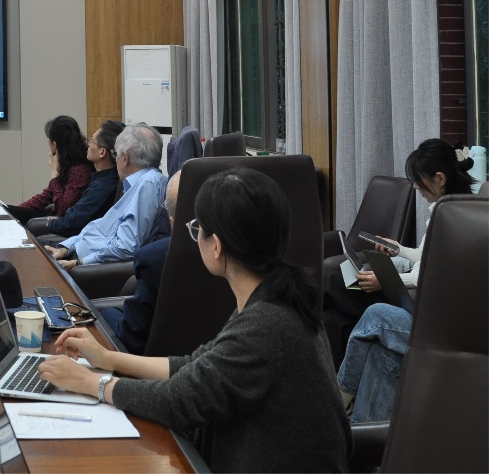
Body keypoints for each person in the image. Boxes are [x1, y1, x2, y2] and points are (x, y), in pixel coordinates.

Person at [37, 168, 350, 472]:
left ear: (217, 246)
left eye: (198, 227)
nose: (195, 234)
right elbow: (194, 365)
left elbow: (177, 401)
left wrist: (90, 382)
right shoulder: (275, 296)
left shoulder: (267, 324)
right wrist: (108, 358)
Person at [335, 140, 477, 422]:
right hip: (435, 317)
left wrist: (386, 280)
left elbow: (430, 272)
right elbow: (426, 257)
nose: (414, 187)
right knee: (381, 353)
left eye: (418, 181)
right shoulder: (450, 210)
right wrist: (398, 249)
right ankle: (362, 432)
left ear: (440, 179)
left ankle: (339, 399)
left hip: (441, 329)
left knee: (375, 315)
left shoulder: (451, 216)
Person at [47, 123, 166, 268]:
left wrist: (79, 262)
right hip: (79, 254)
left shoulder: (148, 185)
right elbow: (101, 227)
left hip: (91, 268)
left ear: (125, 158)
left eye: (116, 155)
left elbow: (125, 246)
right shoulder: (136, 184)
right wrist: (66, 248)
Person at [98, 170, 179, 355]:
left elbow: (132, 338)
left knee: (105, 314)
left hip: (151, 363)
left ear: (172, 219)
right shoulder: (234, 251)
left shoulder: (154, 258)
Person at [35, 120, 125, 246]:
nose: (87, 144)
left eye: (92, 141)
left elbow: (70, 223)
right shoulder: (100, 178)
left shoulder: (102, 186)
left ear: (102, 152)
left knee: (35, 233)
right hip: (78, 231)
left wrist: (53, 222)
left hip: (82, 239)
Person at [6, 116, 93, 223]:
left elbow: (63, 210)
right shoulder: (70, 165)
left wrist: (54, 175)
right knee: (8, 210)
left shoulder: (80, 170)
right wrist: (15, 211)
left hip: (62, 224)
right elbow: (44, 198)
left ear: (54, 145)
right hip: (55, 219)